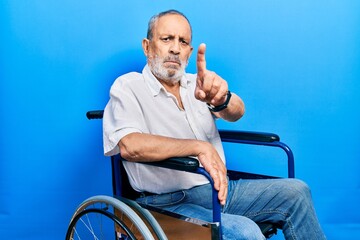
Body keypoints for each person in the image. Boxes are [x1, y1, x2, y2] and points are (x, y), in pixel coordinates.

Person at [103, 9, 326, 240]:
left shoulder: (198, 84)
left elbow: (237, 111)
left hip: (219, 189)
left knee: (296, 192)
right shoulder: (128, 87)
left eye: (183, 41)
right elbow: (130, 145)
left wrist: (223, 99)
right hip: (166, 202)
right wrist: (199, 147)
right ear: (147, 46)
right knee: (245, 231)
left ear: (189, 52)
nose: (175, 48)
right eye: (166, 39)